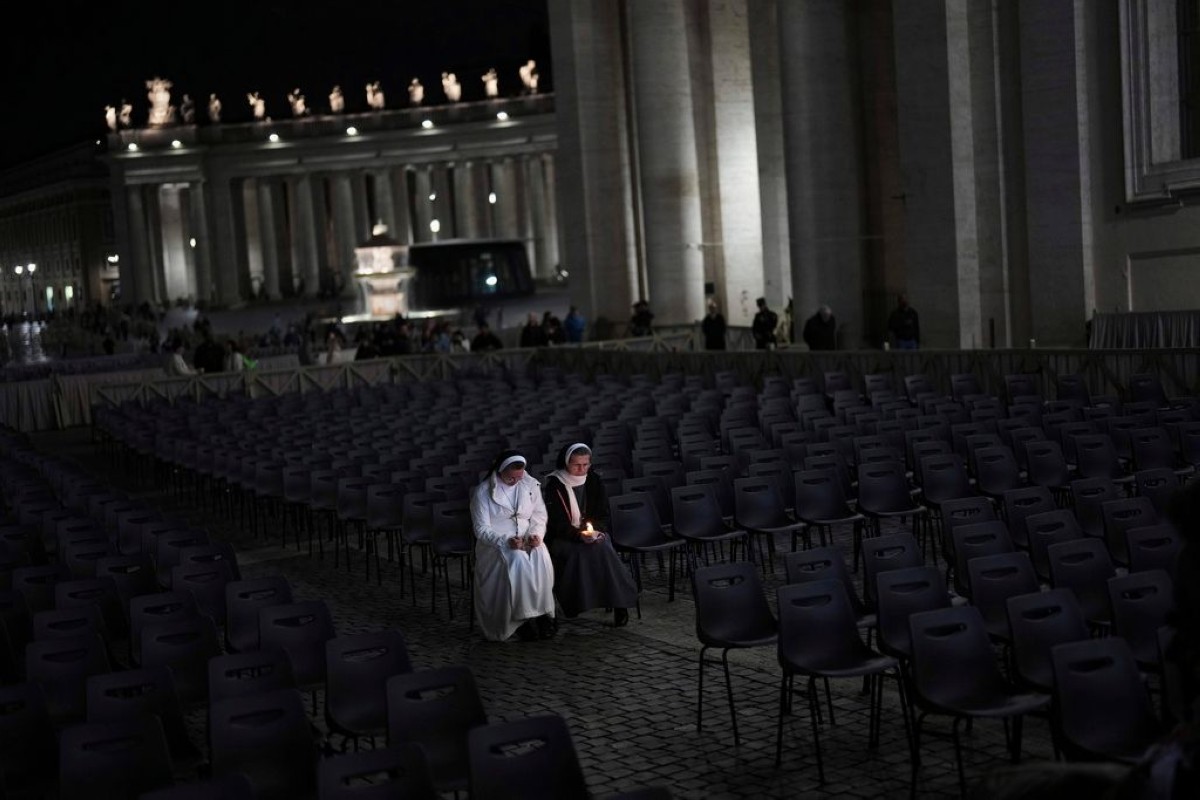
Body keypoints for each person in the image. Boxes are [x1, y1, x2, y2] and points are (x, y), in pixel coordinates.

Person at [542, 443, 637, 627]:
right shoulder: (555, 485)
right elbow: (556, 522)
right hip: (564, 537)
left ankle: (619, 604)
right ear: (566, 463)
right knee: (579, 552)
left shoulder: (594, 480)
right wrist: (579, 536)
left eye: (586, 465)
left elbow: (602, 513)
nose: (582, 469)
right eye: (577, 465)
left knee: (603, 549)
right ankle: (576, 603)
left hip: (593, 534)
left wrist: (596, 531)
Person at [470, 450, 556, 642]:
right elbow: (481, 529)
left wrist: (536, 535)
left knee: (540, 553)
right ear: (501, 471)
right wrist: (505, 541)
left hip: (526, 536)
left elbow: (539, 516)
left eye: (519, 476)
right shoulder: (483, 492)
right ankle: (522, 620)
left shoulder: (529, 485)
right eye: (511, 477)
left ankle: (544, 615)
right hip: (495, 542)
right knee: (517, 558)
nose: (516, 481)